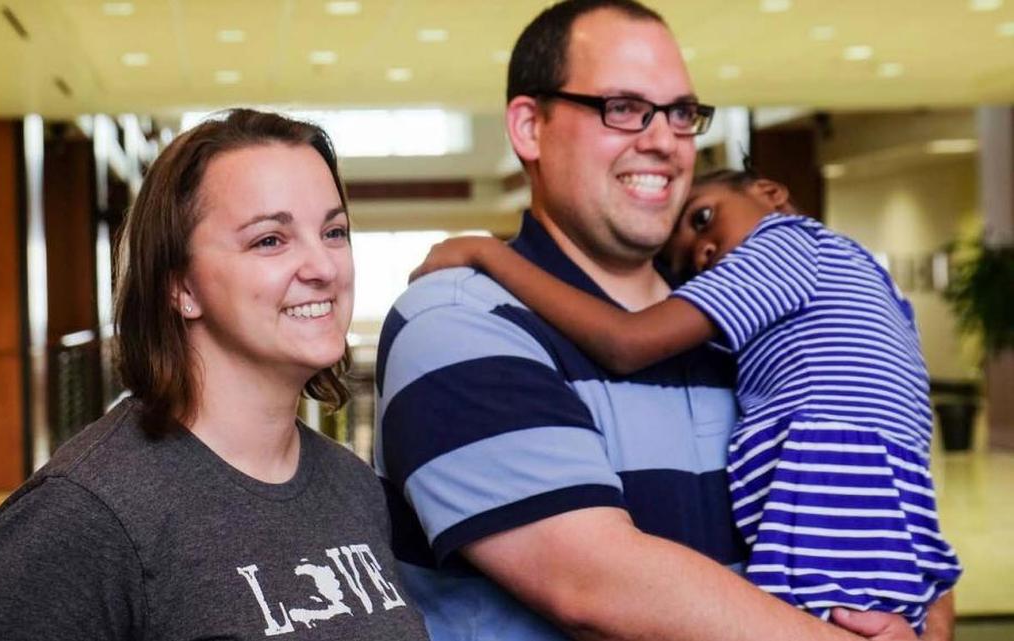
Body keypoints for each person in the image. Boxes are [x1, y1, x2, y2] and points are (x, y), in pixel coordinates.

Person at [373, 1, 954, 640]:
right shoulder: (458, 319)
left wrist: (921, 627)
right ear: (530, 127)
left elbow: (898, 520)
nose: (662, 139)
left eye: (681, 114)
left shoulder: (748, 331)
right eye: (621, 107)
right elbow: (597, 586)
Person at [409, 168, 963, 632]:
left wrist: (488, 255)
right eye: (690, 260)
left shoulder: (789, 243)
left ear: (770, 194)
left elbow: (626, 343)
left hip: (832, 499)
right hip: (888, 516)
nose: (704, 251)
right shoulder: (862, 275)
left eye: (704, 218)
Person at [0, 109, 429, 641]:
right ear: (181, 287)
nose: (324, 267)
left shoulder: (353, 486)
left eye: (334, 232)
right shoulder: (80, 517)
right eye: (270, 240)